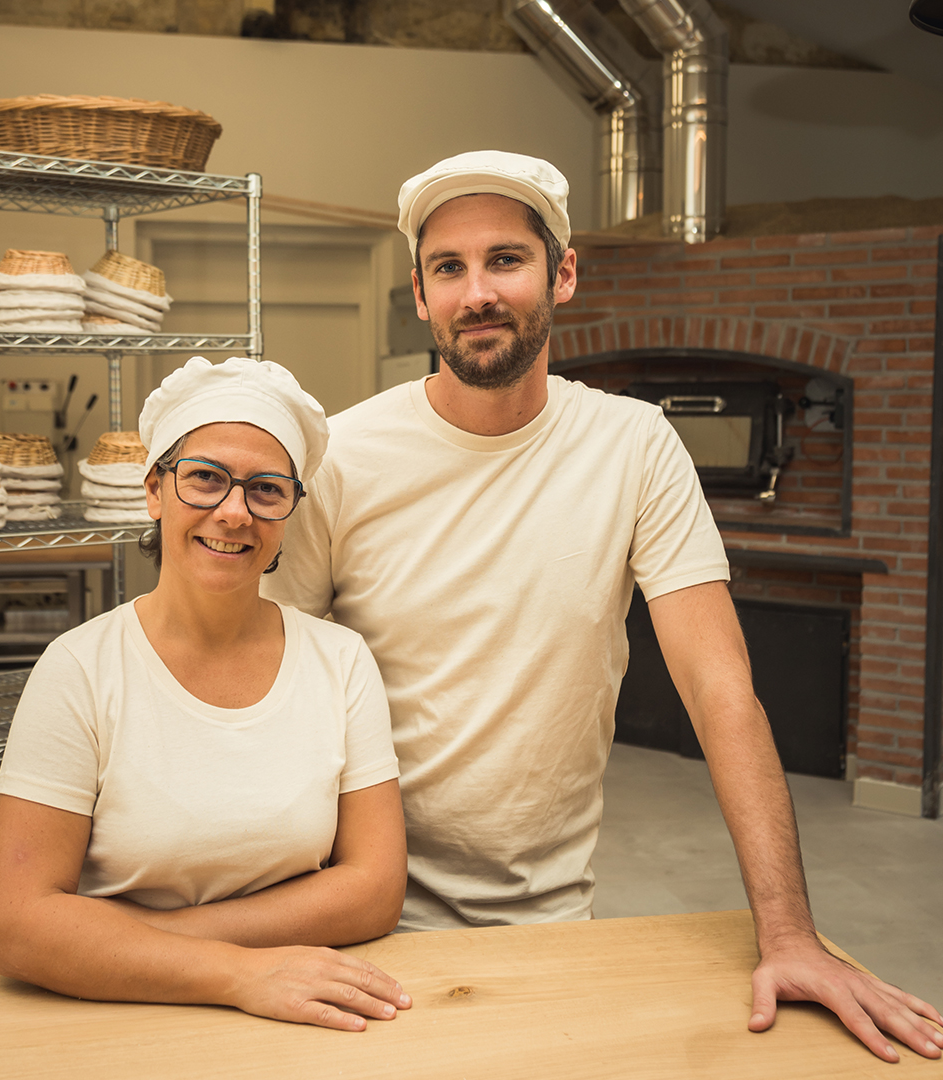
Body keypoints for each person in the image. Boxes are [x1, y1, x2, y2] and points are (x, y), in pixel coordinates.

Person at [263, 150, 943, 1061]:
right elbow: (278, 693)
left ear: (563, 274)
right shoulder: (341, 455)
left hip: (556, 915)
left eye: (506, 259)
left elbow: (719, 689)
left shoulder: (634, 446)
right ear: (420, 295)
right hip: (357, 910)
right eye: (448, 268)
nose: (477, 293)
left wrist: (786, 934)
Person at [0, 356, 411, 1033]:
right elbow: (16, 926)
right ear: (155, 491)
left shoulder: (339, 661)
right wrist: (238, 973)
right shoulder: (81, 670)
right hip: (115, 1018)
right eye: (206, 479)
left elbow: (375, 889)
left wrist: (151, 934)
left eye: (267, 490)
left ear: (289, 512)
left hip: (295, 1015)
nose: (234, 512)